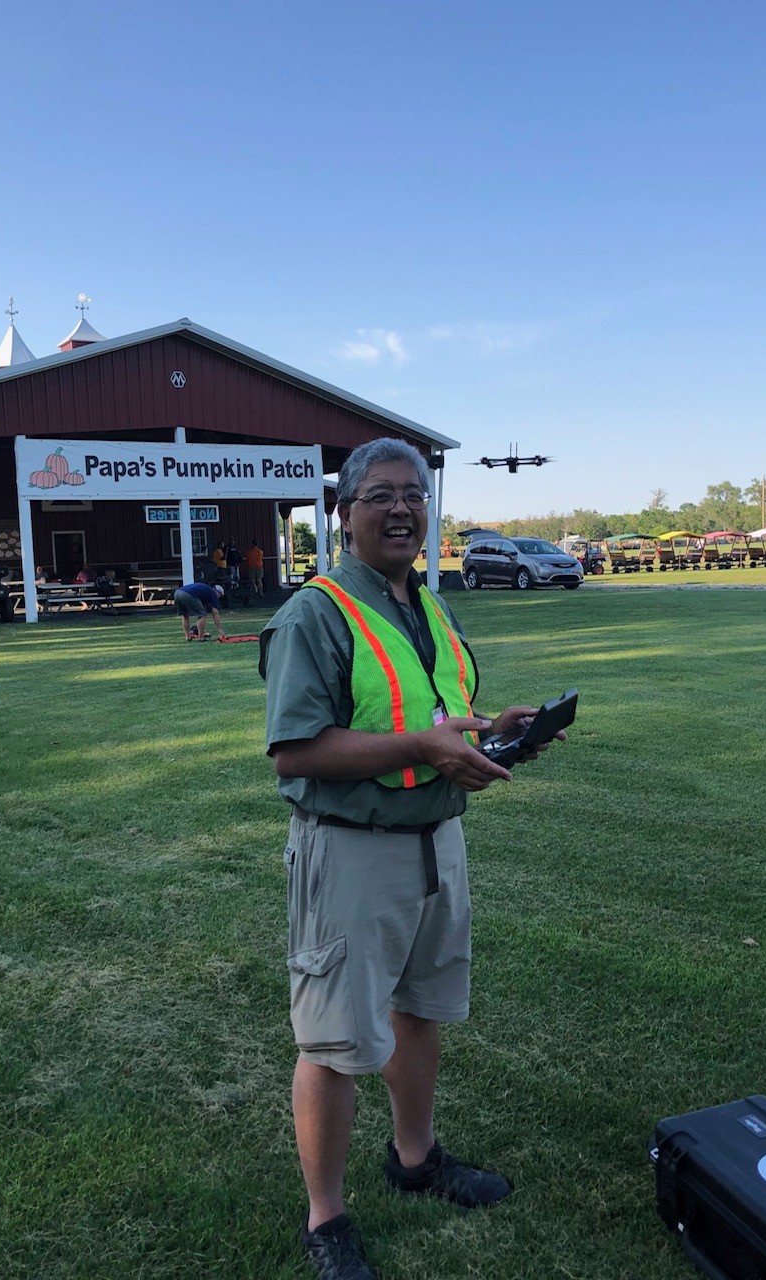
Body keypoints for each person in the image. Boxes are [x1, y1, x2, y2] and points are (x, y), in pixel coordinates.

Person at [260, 438, 559, 1280]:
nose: (401, 508)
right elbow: (293, 752)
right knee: (333, 1041)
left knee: (419, 1010)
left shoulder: (428, 605)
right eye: (380, 495)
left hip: (439, 841)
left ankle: (415, 1158)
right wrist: (424, 746)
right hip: (351, 852)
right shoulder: (314, 614)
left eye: (414, 494)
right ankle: (326, 1219)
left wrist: (495, 735)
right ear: (343, 514)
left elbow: (437, 716)